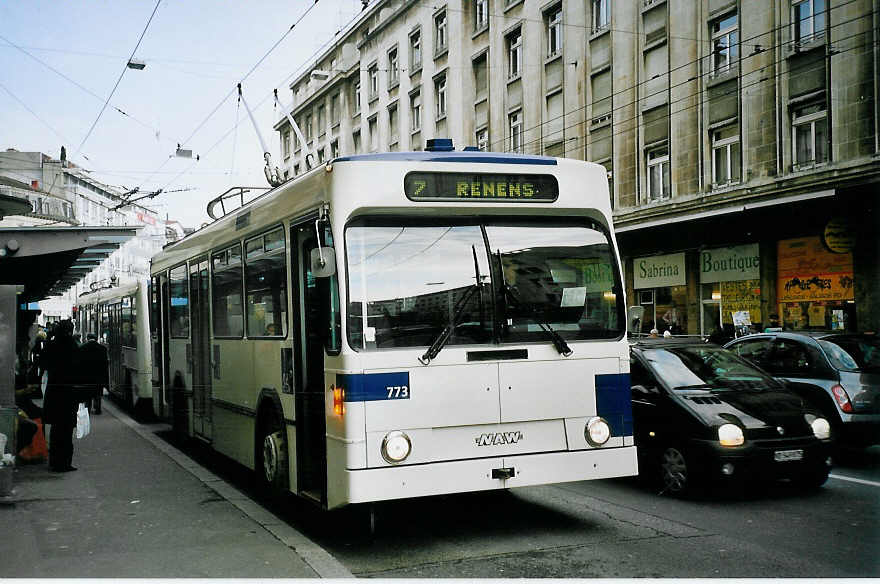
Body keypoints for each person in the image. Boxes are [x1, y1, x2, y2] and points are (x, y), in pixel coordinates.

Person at [41, 319, 81, 472]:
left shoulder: (51, 344)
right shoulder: (72, 345)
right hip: (68, 393)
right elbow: (79, 368)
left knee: (56, 429)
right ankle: (64, 462)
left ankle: (54, 461)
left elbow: (43, 364)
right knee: (66, 429)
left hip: (54, 391)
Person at [78, 333, 109, 414]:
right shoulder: (103, 348)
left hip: (87, 375)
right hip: (99, 375)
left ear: (87, 338)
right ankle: (98, 409)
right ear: (96, 339)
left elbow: (80, 363)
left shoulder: (82, 348)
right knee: (98, 393)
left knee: (87, 394)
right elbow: (105, 363)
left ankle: (87, 409)